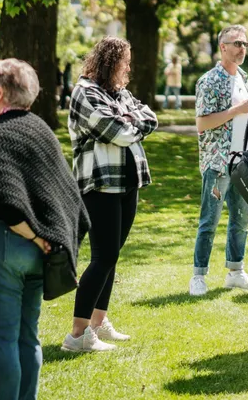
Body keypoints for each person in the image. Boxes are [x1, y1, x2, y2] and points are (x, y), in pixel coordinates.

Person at [0, 59, 89, 400]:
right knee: (27, 338)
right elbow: (69, 197)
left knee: (0, 341)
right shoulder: (42, 132)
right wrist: (48, 238)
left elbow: (7, 199)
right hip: (36, 256)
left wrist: (35, 233)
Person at [63, 37, 157, 353]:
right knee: (103, 256)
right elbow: (118, 132)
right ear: (110, 63)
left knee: (112, 254)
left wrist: (131, 120)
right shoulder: (84, 93)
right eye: (125, 62)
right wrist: (131, 121)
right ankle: (77, 335)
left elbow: (149, 115)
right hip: (100, 184)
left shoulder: (116, 93)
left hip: (126, 182)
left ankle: (98, 322)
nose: (128, 68)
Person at [189, 26, 248, 296]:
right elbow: (202, 124)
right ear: (222, 47)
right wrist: (236, 110)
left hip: (243, 161)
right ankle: (198, 276)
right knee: (209, 221)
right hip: (218, 162)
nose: (242, 48)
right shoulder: (209, 80)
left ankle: (235, 271)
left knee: (242, 219)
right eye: (237, 43)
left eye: (245, 44)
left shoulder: (243, 77)